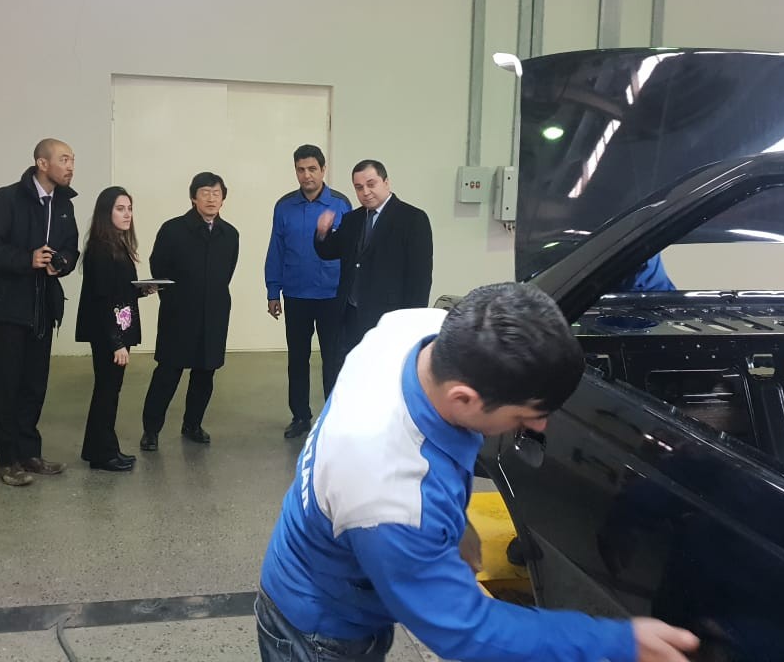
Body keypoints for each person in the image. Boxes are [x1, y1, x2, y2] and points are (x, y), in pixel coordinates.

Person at [255, 282, 701, 662]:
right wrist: (617, 641)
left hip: (336, 558)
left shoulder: (414, 331)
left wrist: (455, 524)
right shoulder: (391, 498)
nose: (540, 427)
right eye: (525, 415)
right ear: (464, 398)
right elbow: (464, 630)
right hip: (319, 630)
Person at [0, 138, 79, 487]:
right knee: (8, 382)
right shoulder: (6, 199)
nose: (70, 166)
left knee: (35, 381)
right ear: (42, 163)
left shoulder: (64, 204)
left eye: (72, 160)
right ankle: (7, 460)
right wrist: (26, 259)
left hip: (44, 304)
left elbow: (71, 248)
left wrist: (61, 263)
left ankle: (29, 452)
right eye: (64, 159)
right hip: (9, 305)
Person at [140, 172, 239, 450]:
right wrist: (174, 299)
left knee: (205, 372)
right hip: (179, 313)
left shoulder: (230, 234)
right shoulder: (173, 230)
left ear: (223, 198)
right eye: (205, 192)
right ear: (193, 197)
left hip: (214, 313)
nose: (211, 198)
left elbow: (227, 272)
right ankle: (151, 430)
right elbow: (159, 268)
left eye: (216, 193)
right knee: (168, 372)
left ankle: (193, 424)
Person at [314, 159, 432, 383]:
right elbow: (329, 251)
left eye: (371, 184)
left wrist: (411, 323)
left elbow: (420, 278)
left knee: (381, 378)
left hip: (388, 317)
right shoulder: (352, 219)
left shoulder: (413, 219)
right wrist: (322, 232)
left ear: (386, 182)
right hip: (350, 315)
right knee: (349, 375)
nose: (365, 192)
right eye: (359, 187)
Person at [265, 144, 353, 440]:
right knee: (297, 358)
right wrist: (273, 290)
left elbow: (350, 251)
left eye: (312, 169)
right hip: (296, 294)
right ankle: (300, 416)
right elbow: (276, 249)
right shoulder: (284, 206)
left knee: (333, 359)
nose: (307, 175)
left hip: (332, 295)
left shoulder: (340, 204)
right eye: (301, 170)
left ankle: (334, 417)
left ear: (323, 169)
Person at [75, 186, 151, 472]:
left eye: (129, 208)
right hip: (109, 333)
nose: (127, 214)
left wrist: (142, 290)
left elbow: (119, 291)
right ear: (106, 213)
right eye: (120, 209)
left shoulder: (117, 246)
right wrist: (116, 342)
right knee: (107, 391)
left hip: (117, 328)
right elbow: (102, 299)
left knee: (110, 390)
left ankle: (101, 448)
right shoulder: (101, 250)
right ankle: (102, 454)